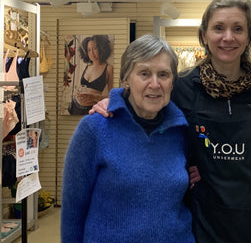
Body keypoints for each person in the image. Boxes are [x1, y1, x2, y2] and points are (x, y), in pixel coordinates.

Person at [91, 0, 251, 243]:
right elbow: (145, 117)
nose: (228, 37)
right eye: (218, 28)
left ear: (248, 37)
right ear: (204, 35)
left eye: (238, 29)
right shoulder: (180, 87)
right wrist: (115, 102)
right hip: (203, 222)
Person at [61, 35, 195, 243]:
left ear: (172, 82)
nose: (155, 83)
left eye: (163, 74)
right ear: (126, 80)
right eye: (144, 73)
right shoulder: (95, 129)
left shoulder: (182, 130)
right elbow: (72, 212)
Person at [68, 35, 113, 115]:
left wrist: (94, 97)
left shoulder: (108, 68)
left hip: (92, 109)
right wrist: (76, 92)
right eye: (89, 50)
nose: (92, 53)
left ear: (101, 48)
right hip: (75, 105)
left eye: (95, 48)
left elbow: (111, 97)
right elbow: (80, 88)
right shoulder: (86, 67)